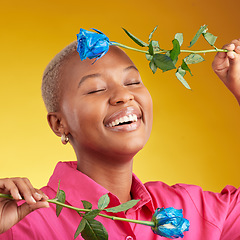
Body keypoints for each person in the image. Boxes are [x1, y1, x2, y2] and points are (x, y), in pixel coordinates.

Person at [0, 37, 240, 240]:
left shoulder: (191, 207)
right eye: (96, 89)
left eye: (133, 82)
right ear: (59, 124)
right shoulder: (22, 222)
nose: (124, 95)